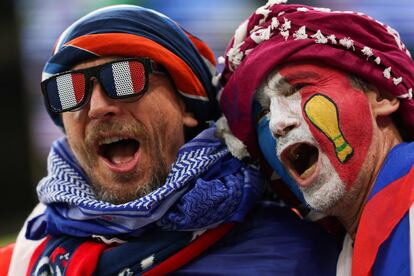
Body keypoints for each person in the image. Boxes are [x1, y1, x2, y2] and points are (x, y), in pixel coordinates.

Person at [0, 4, 340, 276]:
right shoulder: (22, 261)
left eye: (124, 77)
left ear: (187, 106)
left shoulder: (295, 255)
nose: (98, 107)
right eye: (69, 90)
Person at [219, 0, 414, 275]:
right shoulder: (334, 253)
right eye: (262, 112)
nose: (277, 124)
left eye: (297, 88)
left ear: (382, 96)